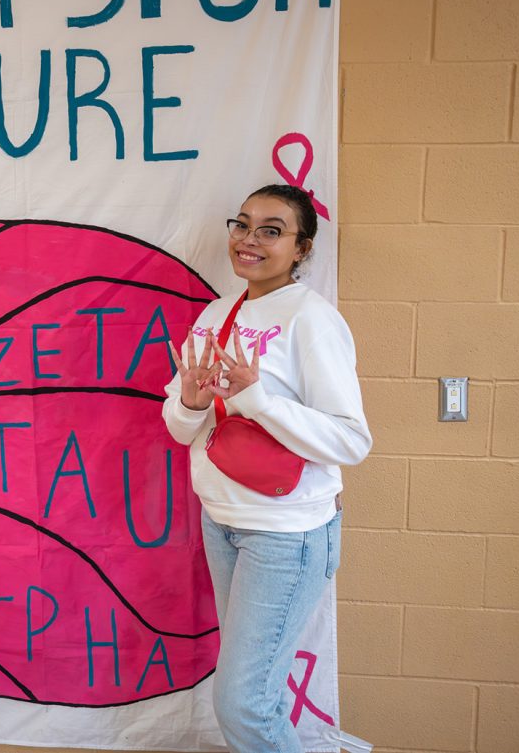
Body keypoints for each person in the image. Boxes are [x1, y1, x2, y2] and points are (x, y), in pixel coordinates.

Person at [163, 184, 370, 752]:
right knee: (259, 690)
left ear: (301, 248)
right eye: (243, 224)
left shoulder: (312, 319)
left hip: (286, 534)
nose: (249, 239)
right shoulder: (216, 313)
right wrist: (192, 401)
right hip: (222, 522)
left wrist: (257, 401)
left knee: (242, 702)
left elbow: (351, 440)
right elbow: (181, 431)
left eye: (271, 230)